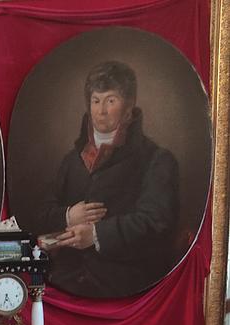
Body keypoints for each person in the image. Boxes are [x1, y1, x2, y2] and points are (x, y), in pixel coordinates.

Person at [39, 61, 179, 298]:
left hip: (125, 286)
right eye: (96, 101)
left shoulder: (157, 160)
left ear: (129, 106)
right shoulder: (72, 160)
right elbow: (40, 212)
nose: (101, 111)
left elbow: (156, 223)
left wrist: (96, 235)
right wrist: (68, 215)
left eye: (110, 100)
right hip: (64, 281)